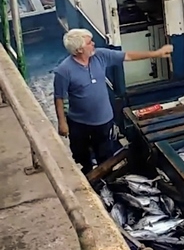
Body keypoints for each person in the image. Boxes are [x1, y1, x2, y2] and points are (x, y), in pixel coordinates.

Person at [53, 28, 173, 174]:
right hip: (79, 123)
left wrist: (156, 53)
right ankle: (86, 173)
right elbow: (59, 97)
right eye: (90, 43)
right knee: (81, 154)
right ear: (79, 50)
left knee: (104, 154)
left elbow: (127, 56)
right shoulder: (64, 71)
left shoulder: (101, 56)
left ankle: (106, 179)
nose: (94, 44)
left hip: (104, 120)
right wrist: (62, 122)